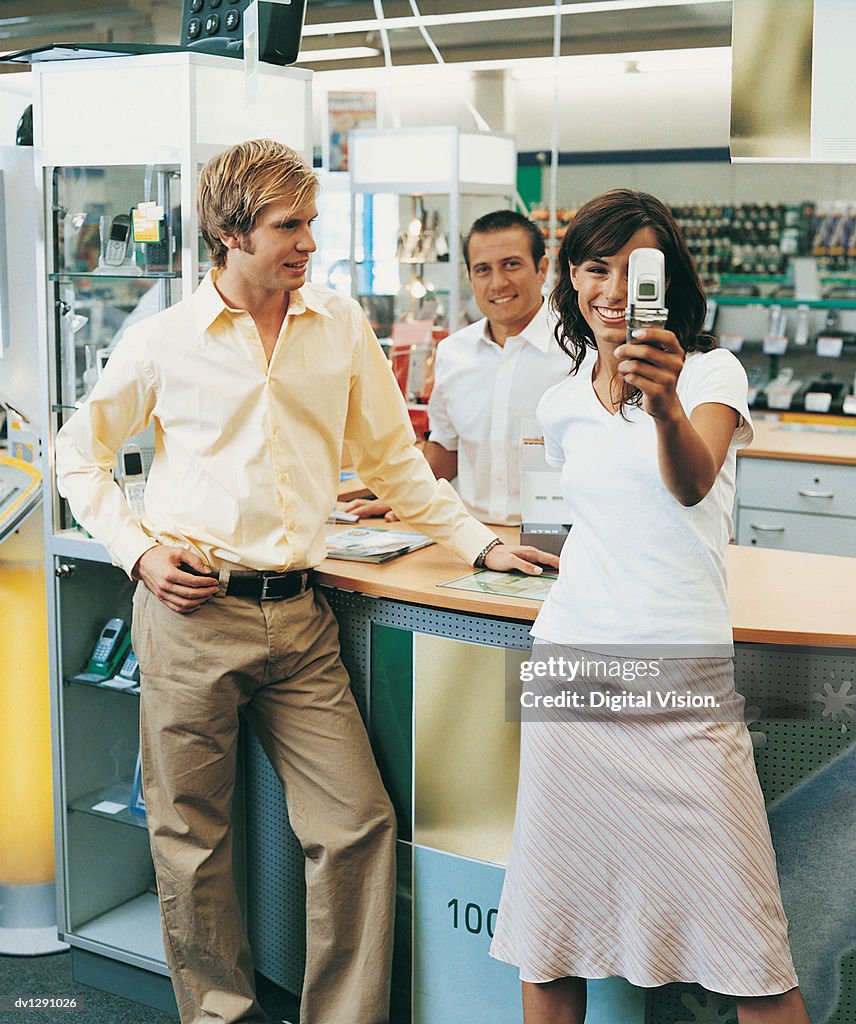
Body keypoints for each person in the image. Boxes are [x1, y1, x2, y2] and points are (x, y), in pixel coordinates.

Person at [55, 139, 557, 1024]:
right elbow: (78, 456)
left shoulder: (338, 324)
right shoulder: (163, 340)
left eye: (310, 223)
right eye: (290, 225)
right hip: (191, 614)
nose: (308, 243)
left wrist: (479, 544)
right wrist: (138, 550)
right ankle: (220, 1014)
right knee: (191, 841)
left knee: (355, 825)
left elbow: (394, 463)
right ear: (231, 231)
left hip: (300, 617)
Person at [488, 189, 811, 1024]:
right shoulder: (560, 400)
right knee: (550, 938)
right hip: (572, 668)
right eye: (595, 267)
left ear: (665, 282)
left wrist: (663, 403)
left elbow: (691, 480)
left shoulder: (709, 372)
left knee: (752, 954)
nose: (610, 289)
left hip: (681, 679)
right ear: (569, 277)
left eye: (633, 270)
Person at [341, 209, 573, 526]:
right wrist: (402, 497)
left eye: (511, 264)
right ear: (470, 277)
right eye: (482, 270)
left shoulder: (579, 351)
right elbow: (445, 447)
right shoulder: (454, 352)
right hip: (472, 534)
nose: (498, 283)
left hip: (558, 536)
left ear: (542, 268)